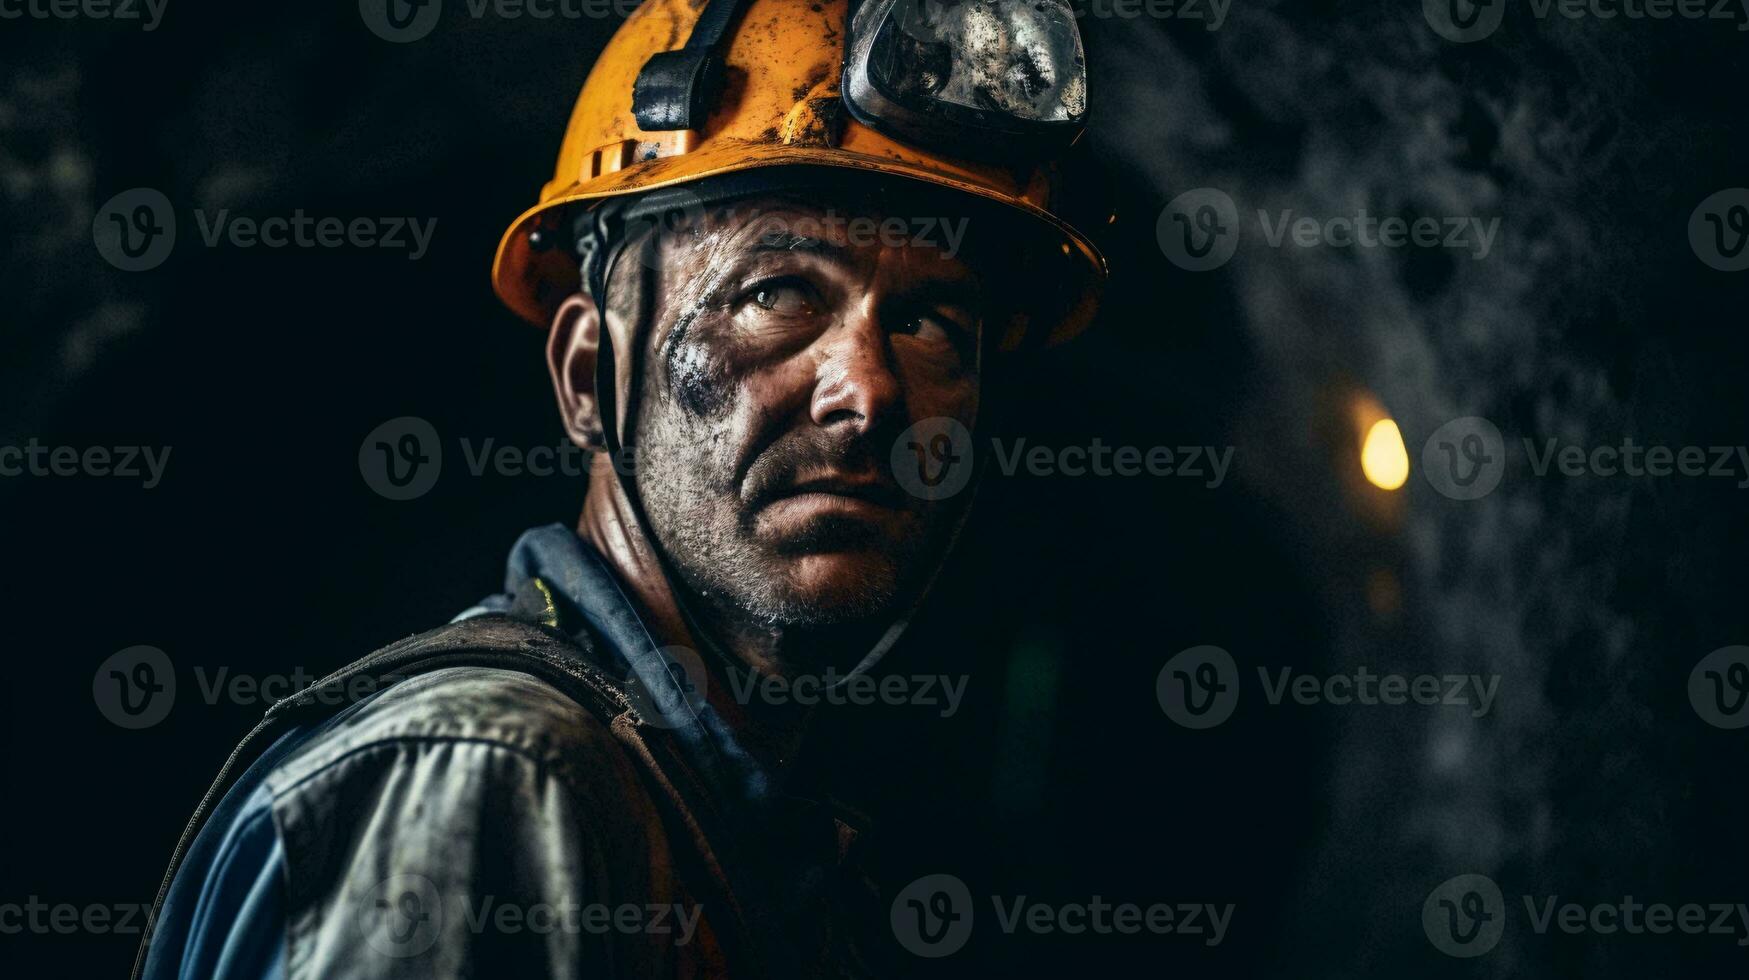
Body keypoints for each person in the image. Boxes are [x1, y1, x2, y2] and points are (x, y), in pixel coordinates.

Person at [135, 0, 1104, 975]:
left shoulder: (728, 822)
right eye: (778, 293)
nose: (872, 390)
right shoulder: (492, 777)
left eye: (932, 321)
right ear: (590, 376)